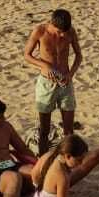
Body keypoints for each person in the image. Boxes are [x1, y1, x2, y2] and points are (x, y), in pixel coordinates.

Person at [24, 9, 83, 151]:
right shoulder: (40, 31)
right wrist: (44, 65)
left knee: (69, 130)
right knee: (44, 130)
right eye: (59, 32)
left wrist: (70, 74)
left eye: (65, 32)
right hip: (46, 83)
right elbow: (27, 55)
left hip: (65, 83)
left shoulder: (70, 32)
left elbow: (78, 56)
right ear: (52, 24)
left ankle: (69, 159)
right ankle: (43, 159)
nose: (63, 35)